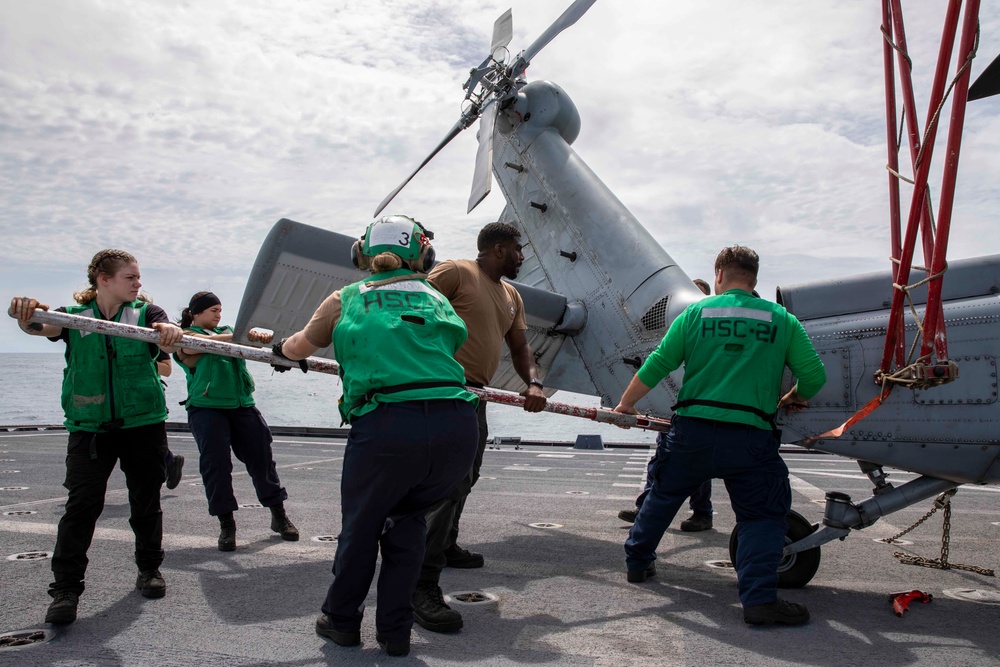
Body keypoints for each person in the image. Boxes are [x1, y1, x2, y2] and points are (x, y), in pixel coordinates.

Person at [274, 215, 480, 657]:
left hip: (389, 428)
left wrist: (279, 352)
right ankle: (395, 634)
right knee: (408, 527)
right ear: (424, 254)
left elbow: (299, 347)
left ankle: (343, 621)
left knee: (362, 530)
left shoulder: (346, 298)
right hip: (456, 429)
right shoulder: (436, 297)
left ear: (361, 253)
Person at [613, 246, 826, 626]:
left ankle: (637, 563)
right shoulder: (782, 320)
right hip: (750, 436)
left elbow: (659, 362)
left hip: (692, 430)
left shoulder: (696, 313)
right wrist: (794, 397)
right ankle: (759, 600)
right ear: (754, 279)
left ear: (719, 274)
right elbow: (815, 376)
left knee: (662, 496)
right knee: (762, 516)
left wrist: (626, 405)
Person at [9, 249, 184, 626]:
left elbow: (167, 337)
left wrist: (170, 334)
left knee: (146, 502)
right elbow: (39, 327)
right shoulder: (73, 318)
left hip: (143, 423)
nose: (139, 284)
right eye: (131, 277)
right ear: (104, 280)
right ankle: (66, 589)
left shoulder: (146, 314)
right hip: (89, 427)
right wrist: (25, 313)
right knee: (82, 506)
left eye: (138, 278)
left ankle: (149, 569)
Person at [411, 221, 547, 633]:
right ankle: (420, 585)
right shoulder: (455, 271)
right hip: (441, 391)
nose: (524, 257)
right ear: (500, 248)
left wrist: (534, 382)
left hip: (476, 396)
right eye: (520, 249)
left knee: (467, 477)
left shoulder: (511, 296)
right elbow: (411, 311)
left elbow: (520, 347)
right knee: (445, 485)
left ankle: (445, 543)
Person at [173, 292, 298, 551]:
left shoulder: (231, 331)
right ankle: (226, 525)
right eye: (212, 310)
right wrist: (242, 336)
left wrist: (261, 338)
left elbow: (253, 346)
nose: (218, 314)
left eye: (220, 309)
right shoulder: (187, 335)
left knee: (262, 461)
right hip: (207, 408)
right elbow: (190, 348)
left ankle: (278, 514)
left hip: (242, 406)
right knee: (216, 466)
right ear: (195, 313)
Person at [619, 278, 714, 532]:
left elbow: (659, 363)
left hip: (696, 409)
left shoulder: (701, 328)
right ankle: (646, 509)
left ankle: (702, 512)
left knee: (697, 465)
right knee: (662, 458)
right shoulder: (685, 326)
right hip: (674, 406)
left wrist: (627, 402)